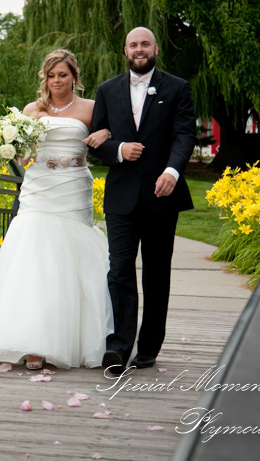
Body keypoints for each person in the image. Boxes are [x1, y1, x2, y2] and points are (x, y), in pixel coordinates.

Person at [0, 49, 114, 370]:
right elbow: (24, 158)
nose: (57, 81)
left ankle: (67, 339)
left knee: (68, 261)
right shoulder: (32, 110)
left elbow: (109, 138)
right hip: (39, 187)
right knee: (33, 260)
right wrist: (13, 147)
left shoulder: (91, 108)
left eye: (62, 74)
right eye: (51, 75)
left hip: (74, 187)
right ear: (44, 78)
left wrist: (107, 132)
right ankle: (31, 342)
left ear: (74, 76)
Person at [83, 27, 197, 373]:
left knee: (157, 274)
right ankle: (118, 347)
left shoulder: (177, 88)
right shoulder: (106, 90)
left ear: (155, 48)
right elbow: (95, 139)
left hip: (162, 194)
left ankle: (148, 349)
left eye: (145, 43)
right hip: (121, 197)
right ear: (125, 50)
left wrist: (172, 172)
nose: (139, 49)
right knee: (119, 271)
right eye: (133, 44)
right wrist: (118, 149)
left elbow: (184, 135)